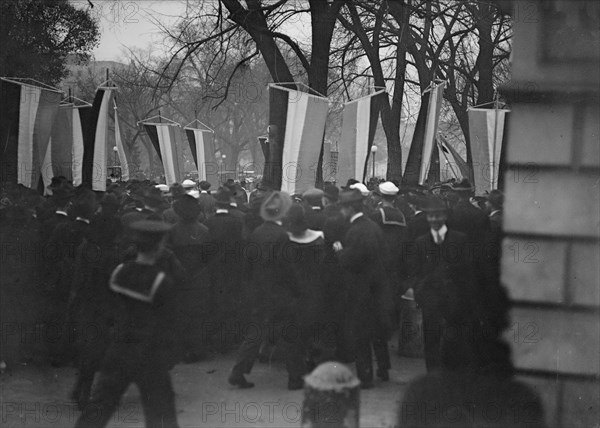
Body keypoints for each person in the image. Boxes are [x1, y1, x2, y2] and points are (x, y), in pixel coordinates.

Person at [74, 220, 181, 428]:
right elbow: (169, 322)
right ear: (159, 247)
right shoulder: (161, 281)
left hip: (119, 350)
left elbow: (109, 310)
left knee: (100, 406)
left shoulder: (120, 271)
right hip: (150, 355)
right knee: (161, 412)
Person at [228, 191, 306, 390]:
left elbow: (247, 266)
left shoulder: (257, 233)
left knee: (254, 334)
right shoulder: (282, 237)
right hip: (279, 294)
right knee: (290, 335)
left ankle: (238, 372)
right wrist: (297, 290)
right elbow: (288, 269)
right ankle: (295, 378)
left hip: (259, 292)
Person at [335, 189, 393, 388]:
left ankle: (365, 377)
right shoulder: (373, 227)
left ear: (350, 208)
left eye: (343, 208)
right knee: (377, 331)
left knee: (361, 335)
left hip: (361, 290)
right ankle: (384, 367)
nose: (342, 212)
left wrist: (341, 252)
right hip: (377, 287)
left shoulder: (355, 230)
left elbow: (354, 260)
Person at [409, 196, 474, 372]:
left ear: (444, 216)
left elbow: (468, 270)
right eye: (431, 216)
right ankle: (432, 378)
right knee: (431, 340)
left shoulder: (459, 239)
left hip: (455, 301)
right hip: (431, 300)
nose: (434, 220)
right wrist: (421, 292)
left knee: (454, 340)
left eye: (438, 216)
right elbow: (415, 271)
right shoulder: (421, 242)